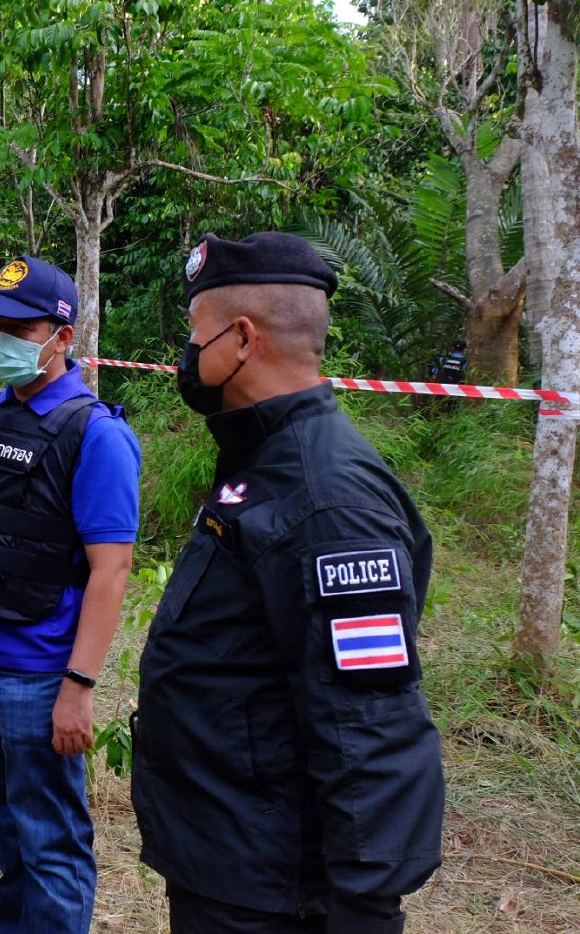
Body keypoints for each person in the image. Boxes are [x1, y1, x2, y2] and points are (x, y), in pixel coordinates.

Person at [132, 232, 445, 934]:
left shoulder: (328, 498)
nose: (188, 353)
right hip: (231, 860)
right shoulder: (263, 460)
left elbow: (371, 724)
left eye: (195, 334)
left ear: (242, 339)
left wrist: (365, 910)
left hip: (273, 893)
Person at [0, 255, 141, 934]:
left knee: (52, 840)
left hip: (37, 672)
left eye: (21, 325)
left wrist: (79, 683)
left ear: (63, 337)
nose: (2, 339)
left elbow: (112, 570)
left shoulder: (95, 435)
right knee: (5, 821)